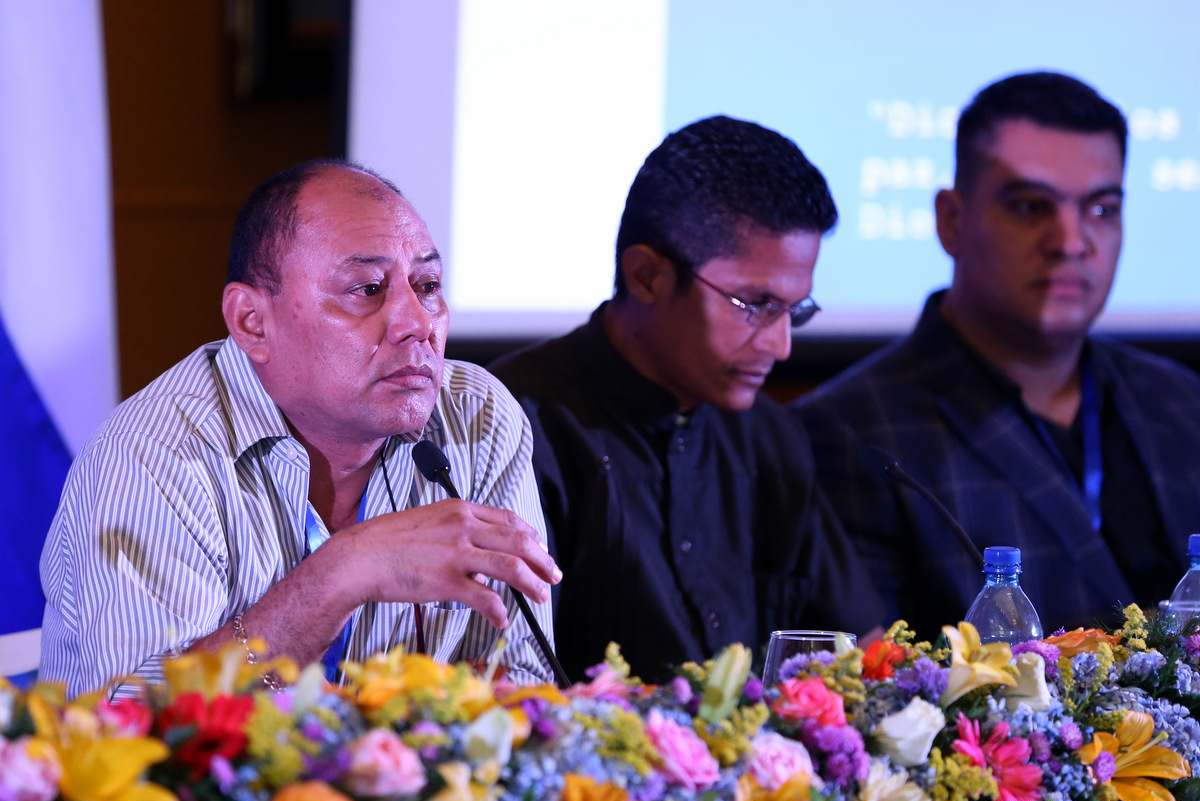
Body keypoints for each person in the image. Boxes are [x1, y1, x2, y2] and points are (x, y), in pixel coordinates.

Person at [40, 160, 561, 698]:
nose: (418, 324)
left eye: (427, 285)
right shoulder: (152, 454)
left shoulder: (475, 415)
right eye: (367, 289)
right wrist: (341, 572)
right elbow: (133, 718)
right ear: (252, 322)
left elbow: (524, 680)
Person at [794, 72, 1200, 640]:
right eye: (1031, 207)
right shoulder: (847, 434)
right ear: (951, 221)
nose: (1070, 242)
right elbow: (876, 682)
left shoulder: (1182, 405)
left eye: (1101, 210)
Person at [491, 116, 885, 683]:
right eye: (754, 305)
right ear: (647, 276)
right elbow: (493, 680)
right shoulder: (513, 426)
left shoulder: (771, 437)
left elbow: (863, 651)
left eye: (795, 310)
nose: (780, 345)